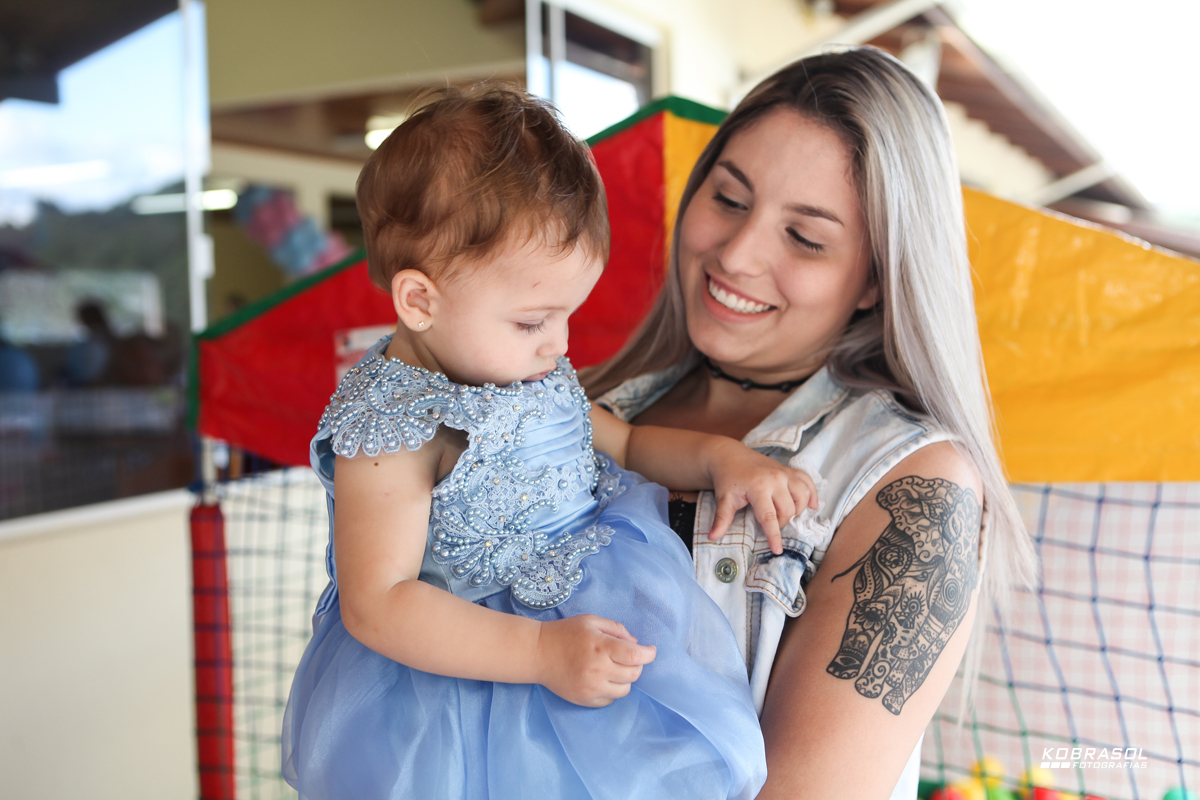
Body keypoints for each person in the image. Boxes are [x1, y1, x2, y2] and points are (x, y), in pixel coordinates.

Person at [282, 86, 823, 799]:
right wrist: (537, 652)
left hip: (586, 627)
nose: (560, 344)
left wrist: (722, 459)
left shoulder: (518, 371)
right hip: (473, 685)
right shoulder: (391, 430)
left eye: (567, 314)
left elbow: (624, 446)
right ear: (419, 300)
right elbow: (378, 602)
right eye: (534, 320)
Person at [584, 46, 1036, 800]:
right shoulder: (593, 406)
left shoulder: (915, 483)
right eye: (728, 199)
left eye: (805, 237)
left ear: (875, 279)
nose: (736, 254)